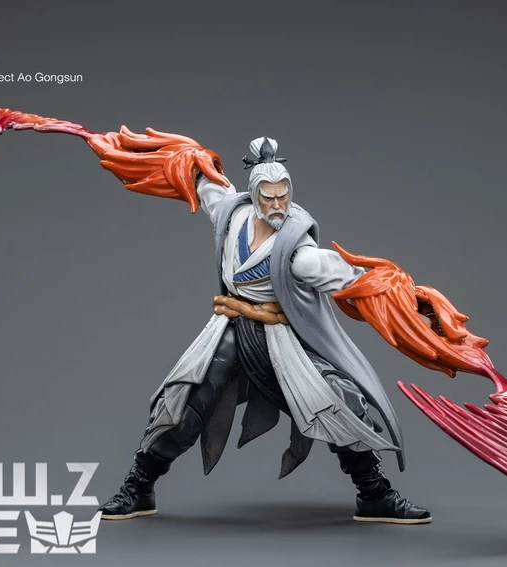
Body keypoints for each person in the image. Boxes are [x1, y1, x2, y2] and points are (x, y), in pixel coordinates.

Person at [98, 136, 432, 525]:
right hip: (228, 331)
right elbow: (201, 178)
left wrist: (415, 307)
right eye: (268, 196)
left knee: (337, 400)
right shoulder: (231, 214)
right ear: (254, 195)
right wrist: (118, 146)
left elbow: (355, 280)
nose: (277, 205)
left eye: (283, 196)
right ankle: (139, 487)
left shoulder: (299, 253)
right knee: (183, 400)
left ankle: (374, 493)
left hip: (280, 339)